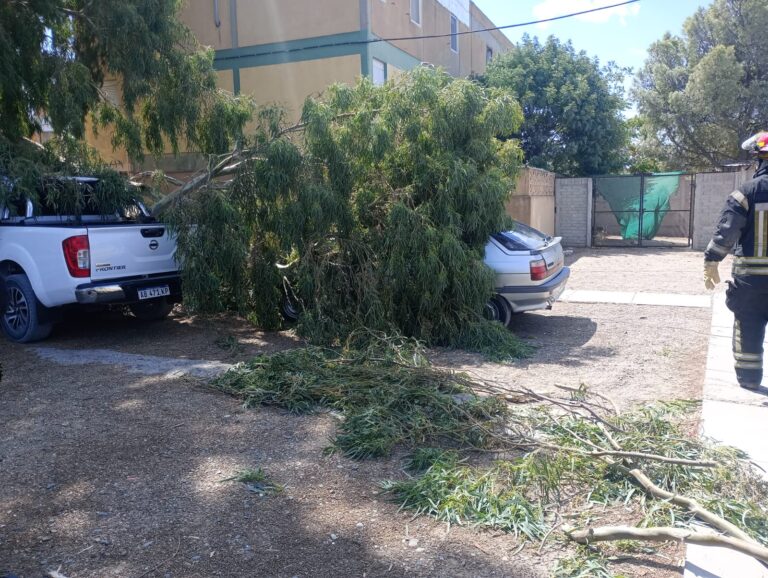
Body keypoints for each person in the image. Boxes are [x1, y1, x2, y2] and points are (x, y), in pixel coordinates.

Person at [703, 131, 768, 391]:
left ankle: (750, 380)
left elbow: (726, 232)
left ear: (759, 160)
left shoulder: (746, 193)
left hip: (750, 281)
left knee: (749, 326)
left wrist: (711, 261)